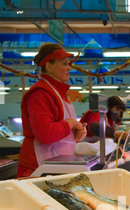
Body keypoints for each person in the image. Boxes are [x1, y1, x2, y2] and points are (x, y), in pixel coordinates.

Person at [17, 42, 87, 177]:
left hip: (54, 169)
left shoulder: (58, 93)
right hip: (36, 170)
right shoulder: (40, 93)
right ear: (49, 66)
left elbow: (59, 134)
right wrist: (71, 123)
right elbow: (44, 133)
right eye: (64, 64)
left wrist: (76, 135)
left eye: (69, 64)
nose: (69, 68)